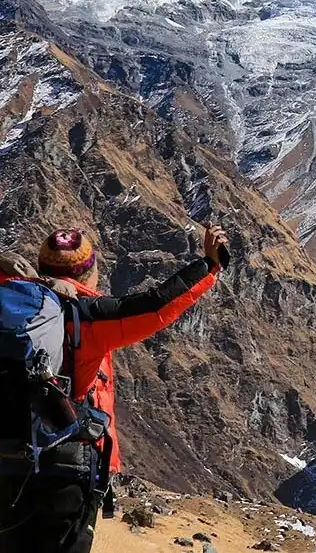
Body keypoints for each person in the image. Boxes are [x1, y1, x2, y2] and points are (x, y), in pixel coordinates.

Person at [0, 224, 229, 553]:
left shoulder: (10, 304)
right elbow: (156, 306)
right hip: (63, 470)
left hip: (7, 460)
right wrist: (209, 264)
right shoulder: (86, 316)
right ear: (90, 273)